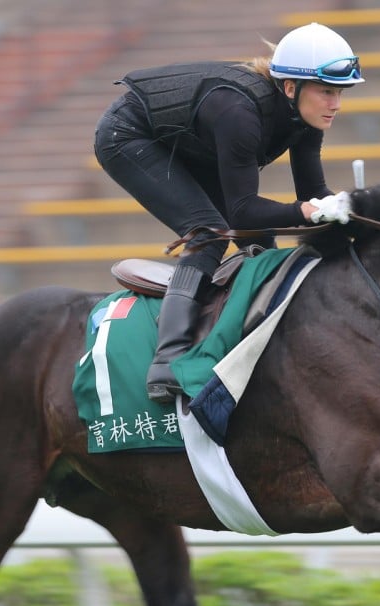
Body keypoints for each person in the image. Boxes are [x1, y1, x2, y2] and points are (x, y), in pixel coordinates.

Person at [93, 22, 363, 402]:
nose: (335, 104)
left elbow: (313, 194)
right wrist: (308, 211)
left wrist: (352, 212)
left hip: (190, 142)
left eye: (340, 93)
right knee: (208, 233)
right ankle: (167, 360)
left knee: (263, 248)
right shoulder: (240, 115)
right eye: (326, 92)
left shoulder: (305, 116)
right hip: (130, 136)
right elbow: (243, 213)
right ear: (290, 87)